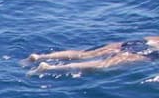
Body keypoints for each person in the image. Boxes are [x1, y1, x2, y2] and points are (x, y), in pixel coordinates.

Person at [24, 36, 159, 74]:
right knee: (102, 65)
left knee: (85, 54)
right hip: (150, 53)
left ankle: (40, 57)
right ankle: (49, 68)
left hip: (142, 41)